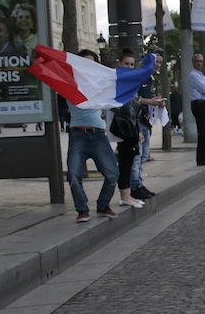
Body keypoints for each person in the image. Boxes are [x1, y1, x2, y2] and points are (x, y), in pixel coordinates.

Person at [65, 49, 119, 223]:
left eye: (92, 63)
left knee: (112, 174)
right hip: (78, 135)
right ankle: (82, 209)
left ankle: (103, 205)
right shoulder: (68, 83)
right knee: (73, 175)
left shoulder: (100, 83)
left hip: (98, 135)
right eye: (85, 63)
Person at [130, 49, 165, 201]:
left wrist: (155, 102)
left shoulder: (149, 79)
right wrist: (149, 101)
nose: (158, 65)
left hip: (145, 120)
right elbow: (133, 97)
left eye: (160, 63)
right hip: (137, 120)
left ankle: (138, 184)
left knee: (143, 155)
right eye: (156, 61)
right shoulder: (140, 77)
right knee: (137, 156)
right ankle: (135, 186)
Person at [112, 50, 145, 209]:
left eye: (132, 64)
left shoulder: (130, 83)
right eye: (127, 63)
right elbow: (123, 108)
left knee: (129, 159)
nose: (130, 67)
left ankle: (127, 195)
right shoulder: (120, 82)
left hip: (130, 126)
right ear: (120, 64)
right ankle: (125, 195)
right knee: (125, 161)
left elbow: (132, 107)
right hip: (124, 127)